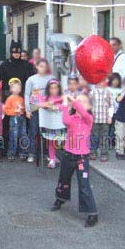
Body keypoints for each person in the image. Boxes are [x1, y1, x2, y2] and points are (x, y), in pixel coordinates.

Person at [50, 94, 98, 228]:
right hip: (68, 155)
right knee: (63, 179)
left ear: (88, 107)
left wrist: (74, 100)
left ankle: (92, 213)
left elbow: (83, 112)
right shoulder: (72, 119)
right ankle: (60, 199)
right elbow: (65, 121)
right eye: (78, 102)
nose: (79, 104)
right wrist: (65, 103)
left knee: (84, 185)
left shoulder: (89, 120)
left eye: (83, 102)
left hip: (82, 158)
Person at [25, 59, 54, 162]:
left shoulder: (51, 79)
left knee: (47, 131)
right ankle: (31, 153)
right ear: (36, 67)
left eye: (45, 66)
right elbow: (27, 95)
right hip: (35, 108)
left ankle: (47, 153)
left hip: (47, 109)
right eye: (41, 66)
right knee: (33, 131)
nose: (43, 68)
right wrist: (27, 110)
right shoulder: (31, 79)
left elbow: (55, 92)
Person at [38, 79, 65, 168]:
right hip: (50, 123)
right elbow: (39, 104)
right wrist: (47, 105)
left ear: (59, 88)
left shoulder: (62, 97)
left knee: (60, 140)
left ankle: (55, 156)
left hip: (61, 124)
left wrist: (56, 106)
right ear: (48, 89)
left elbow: (66, 105)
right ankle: (52, 158)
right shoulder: (46, 97)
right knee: (51, 141)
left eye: (55, 88)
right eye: (51, 88)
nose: (53, 90)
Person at [90, 81, 114, 162]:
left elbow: (111, 106)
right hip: (94, 119)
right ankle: (93, 152)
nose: (100, 83)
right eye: (98, 81)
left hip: (105, 119)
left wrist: (110, 117)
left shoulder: (108, 93)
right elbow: (89, 105)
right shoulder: (92, 92)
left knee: (104, 137)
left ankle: (104, 154)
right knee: (94, 136)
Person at [5, 78, 27, 161]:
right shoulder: (9, 99)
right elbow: (6, 110)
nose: (17, 89)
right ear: (11, 89)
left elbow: (24, 108)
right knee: (13, 136)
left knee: (23, 135)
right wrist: (14, 111)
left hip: (22, 118)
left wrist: (22, 108)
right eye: (15, 87)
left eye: (18, 87)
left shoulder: (21, 98)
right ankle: (11, 153)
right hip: (14, 119)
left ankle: (23, 152)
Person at [106, 73, 122, 139]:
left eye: (117, 80)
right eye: (114, 80)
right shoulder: (107, 89)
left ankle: (111, 140)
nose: (116, 82)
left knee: (114, 127)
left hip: (117, 111)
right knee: (107, 126)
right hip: (108, 111)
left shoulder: (120, 90)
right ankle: (106, 140)